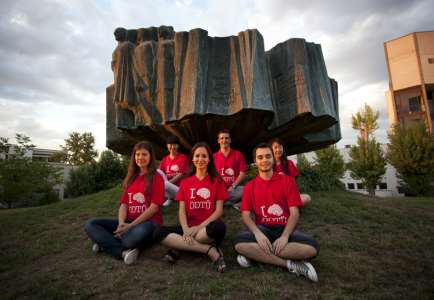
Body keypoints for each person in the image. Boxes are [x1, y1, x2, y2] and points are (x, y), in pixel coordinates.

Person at [233, 143, 319, 282]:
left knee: (312, 247)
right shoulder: (250, 186)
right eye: (260, 157)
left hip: (285, 228)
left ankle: (256, 255)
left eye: (268, 156)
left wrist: (285, 236)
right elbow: (245, 215)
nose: (264, 160)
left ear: (273, 158)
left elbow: (294, 213)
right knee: (238, 242)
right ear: (255, 161)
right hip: (263, 229)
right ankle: (290, 264)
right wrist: (257, 234)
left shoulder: (287, 181)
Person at [84, 141, 165, 265]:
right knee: (91, 224)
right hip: (128, 222)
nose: (140, 158)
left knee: (128, 241)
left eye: (144, 154)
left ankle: (105, 243)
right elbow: (124, 204)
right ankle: (121, 251)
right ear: (134, 157)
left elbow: (154, 208)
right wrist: (121, 224)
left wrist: (130, 226)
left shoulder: (157, 177)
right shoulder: (131, 177)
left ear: (150, 157)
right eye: (137, 154)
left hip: (149, 223)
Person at [154, 142, 228, 272]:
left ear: (209, 159)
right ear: (192, 159)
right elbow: (182, 210)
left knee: (219, 227)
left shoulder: (217, 181)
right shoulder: (186, 182)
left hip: (206, 229)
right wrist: (186, 229)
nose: (200, 159)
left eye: (204, 156)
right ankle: (209, 249)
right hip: (188, 227)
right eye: (197, 156)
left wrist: (198, 228)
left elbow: (219, 211)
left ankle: (180, 246)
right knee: (158, 232)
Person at [270, 138, 311, 205]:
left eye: (280, 147)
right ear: (271, 150)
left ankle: (287, 204)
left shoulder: (289, 163)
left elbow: (293, 183)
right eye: (275, 147)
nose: (278, 149)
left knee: (307, 197)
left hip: (288, 194)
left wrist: (285, 177)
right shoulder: (269, 165)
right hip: (274, 196)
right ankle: (288, 205)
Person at [213, 129, 247, 207]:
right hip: (219, 190)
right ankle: (228, 202)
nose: (224, 140)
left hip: (233, 189)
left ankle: (231, 203)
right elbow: (211, 176)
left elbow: (242, 173)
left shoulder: (238, 154)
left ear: (230, 140)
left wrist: (233, 186)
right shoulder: (213, 157)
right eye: (221, 138)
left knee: (249, 189)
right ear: (218, 141)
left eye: (226, 138)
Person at [158, 135, 189, 206]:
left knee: (165, 184)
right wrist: (171, 175)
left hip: (180, 190)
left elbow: (181, 174)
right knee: (157, 171)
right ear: (167, 146)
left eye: (174, 144)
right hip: (168, 189)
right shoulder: (165, 159)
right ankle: (170, 198)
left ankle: (162, 199)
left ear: (178, 146)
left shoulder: (183, 157)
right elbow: (161, 173)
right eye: (170, 145)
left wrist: (168, 183)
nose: (172, 147)